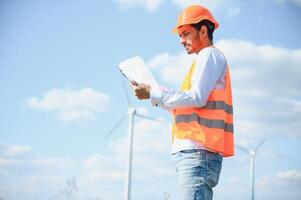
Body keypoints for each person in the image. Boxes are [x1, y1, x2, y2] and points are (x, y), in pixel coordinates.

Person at [132, 5, 234, 200]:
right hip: (195, 153)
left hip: (197, 152)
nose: (181, 41)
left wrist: (154, 93)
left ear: (203, 31)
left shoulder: (209, 55)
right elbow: (187, 103)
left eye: (185, 34)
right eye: (179, 36)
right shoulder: (203, 61)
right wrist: (153, 93)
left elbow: (196, 97)